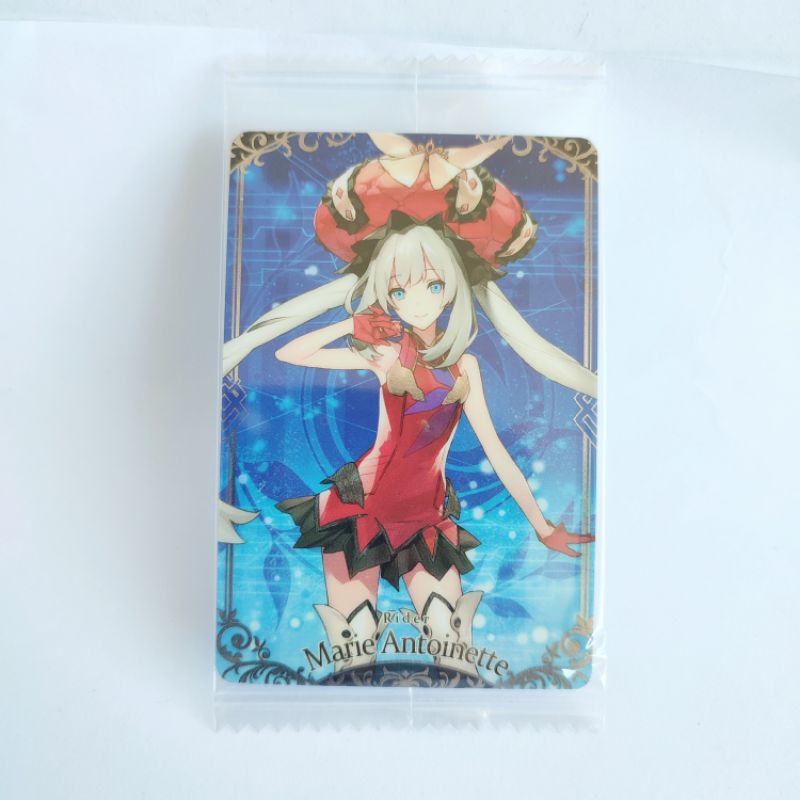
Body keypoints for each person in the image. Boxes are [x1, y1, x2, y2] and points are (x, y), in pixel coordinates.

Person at [220, 134, 597, 676]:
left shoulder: (465, 368)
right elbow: (289, 352)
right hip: (359, 510)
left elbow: (498, 452)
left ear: (452, 288)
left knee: (453, 645)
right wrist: (350, 325)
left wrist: (541, 527)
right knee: (353, 649)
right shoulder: (383, 354)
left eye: (432, 285)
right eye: (399, 291)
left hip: (427, 519)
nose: (416, 302)